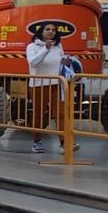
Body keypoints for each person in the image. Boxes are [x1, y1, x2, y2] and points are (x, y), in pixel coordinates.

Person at [24, 24, 70, 154]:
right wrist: (45, 48)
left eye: (53, 30)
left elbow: (60, 62)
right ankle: (37, 142)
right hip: (39, 84)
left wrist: (67, 61)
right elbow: (33, 62)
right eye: (48, 29)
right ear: (41, 31)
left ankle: (64, 142)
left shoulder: (58, 46)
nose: (51, 32)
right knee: (39, 114)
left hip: (57, 83)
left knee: (60, 113)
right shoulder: (32, 47)